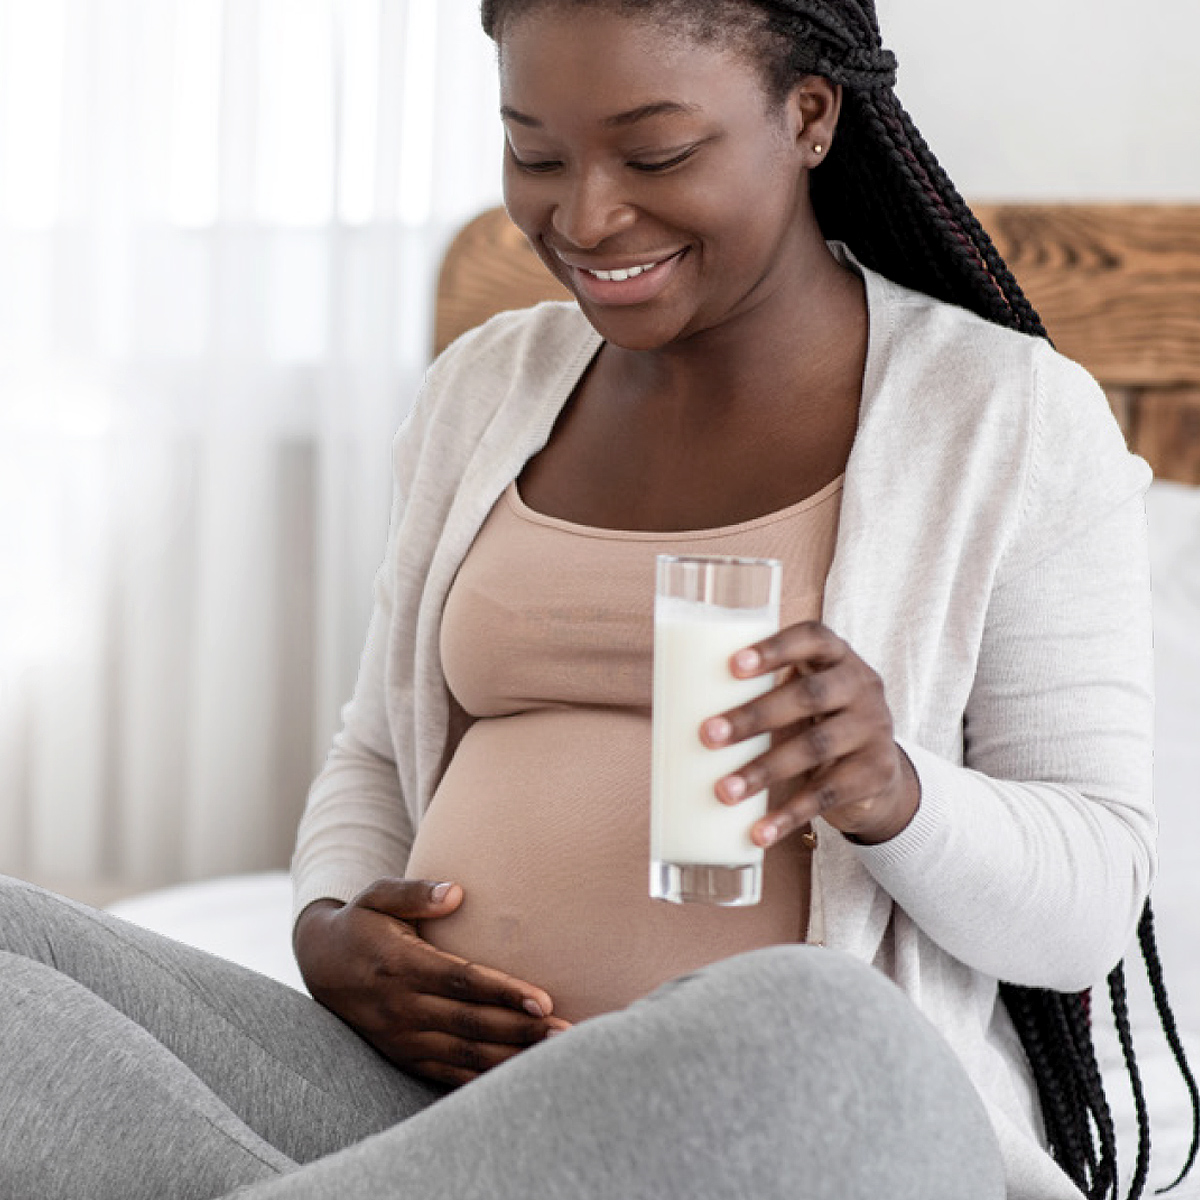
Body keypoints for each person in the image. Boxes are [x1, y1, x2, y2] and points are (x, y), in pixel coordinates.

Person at [1, 1, 1195, 1198]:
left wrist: (898, 794)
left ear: (810, 115)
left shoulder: (1004, 417)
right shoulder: (486, 386)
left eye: (658, 154)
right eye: (535, 154)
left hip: (778, 1127)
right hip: (425, 1121)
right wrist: (327, 929)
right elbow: (375, 749)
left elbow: (1087, 909)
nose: (585, 217)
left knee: (814, 1021)